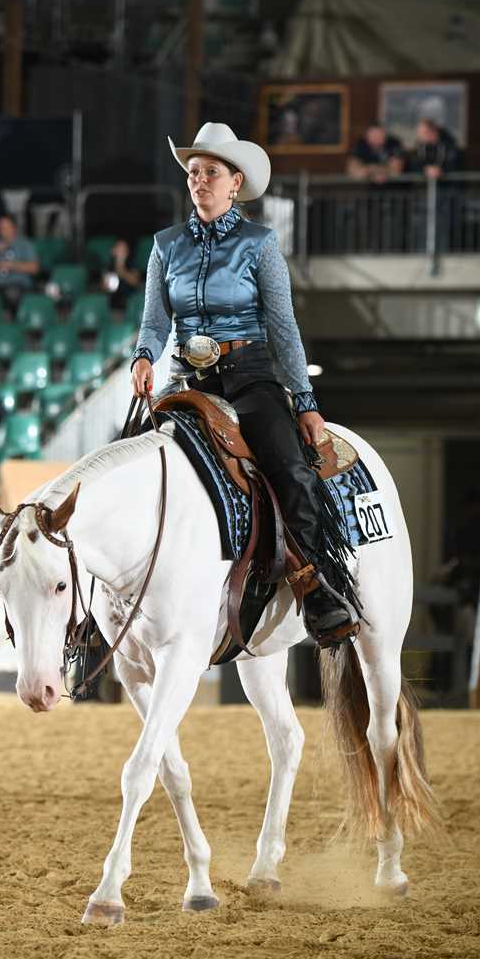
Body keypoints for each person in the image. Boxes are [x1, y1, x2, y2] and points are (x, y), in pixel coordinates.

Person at [130, 122, 359, 643]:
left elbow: (283, 328)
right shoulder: (165, 246)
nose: (200, 180)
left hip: (249, 377)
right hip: (185, 382)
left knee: (289, 467)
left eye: (211, 172)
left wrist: (305, 401)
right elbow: (154, 321)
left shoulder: (260, 244)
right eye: (194, 172)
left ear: (236, 183)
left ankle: (314, 583)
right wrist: (143, 356)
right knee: (133, 461)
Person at [100, 239, 141, 313]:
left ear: (127, 252)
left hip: (129, 305)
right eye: (119, 249)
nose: (121, 252)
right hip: (111, 305)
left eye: (124, 250)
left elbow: (136, 282)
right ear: (113, 251)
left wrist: (121, 270)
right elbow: (104, 287)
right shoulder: (108, 267)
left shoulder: (132, 265)